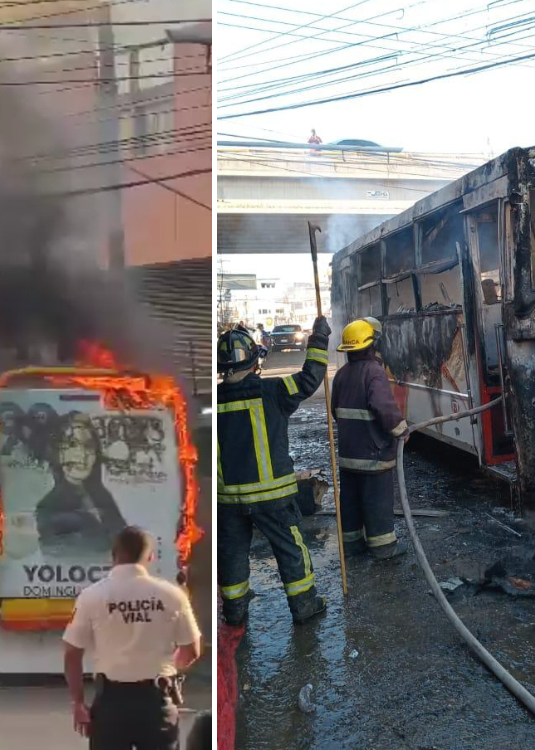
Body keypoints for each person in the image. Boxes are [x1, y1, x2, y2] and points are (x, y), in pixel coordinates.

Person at [216, 317, 331, 626]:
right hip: (273, 499)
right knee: (291, 549)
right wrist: (319, 339)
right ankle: (304, 605)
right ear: (255, 361)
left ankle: (235, 612)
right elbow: (310, 379)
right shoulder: (273, 391)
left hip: (227, 500)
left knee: (230, 555)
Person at [63, 526, 201, 750]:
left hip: (111, 705)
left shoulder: (91, 596)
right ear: (150, 557)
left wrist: (77, 704)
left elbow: (72, 653)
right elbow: (191, 650)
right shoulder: (172, 595)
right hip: (157, 702)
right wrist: (166, 669)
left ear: (113, 555)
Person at [331, 319, 409, 560]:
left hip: (348, 454)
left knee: (351, 502)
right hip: (373, 455)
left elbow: (335, 410)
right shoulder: (374, 372)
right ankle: (383, 547)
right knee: (377, 501)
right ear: (371, 344)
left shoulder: (342, 374)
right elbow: (384, 408)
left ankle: (352, 545)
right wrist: (401, 430)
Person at [35, 412, 127, 560]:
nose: (82, 454)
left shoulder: (102, 498)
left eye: (88, 446)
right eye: (72, 444)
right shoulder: (48, 508)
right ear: (57, 452)